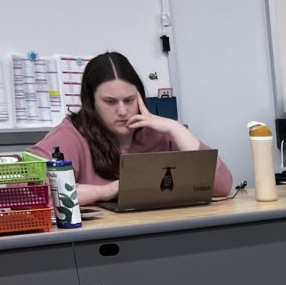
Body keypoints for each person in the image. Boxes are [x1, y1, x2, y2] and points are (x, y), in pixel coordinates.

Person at [31, 52, 233, 206]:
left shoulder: (159, 133)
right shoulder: (72, 134)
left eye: (129, 100)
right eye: (110, 101)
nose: (122, 110)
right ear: (91, 102)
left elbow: (221, 186)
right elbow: (28, 191)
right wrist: (107, 191)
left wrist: (175, 128)